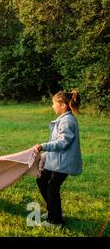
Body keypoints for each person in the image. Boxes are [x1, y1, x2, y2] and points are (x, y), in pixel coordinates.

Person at [33, 91, 82, 225]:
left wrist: (43, 146)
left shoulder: (67, 121)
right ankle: (53, 211)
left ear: (63, 105)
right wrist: (45, 155)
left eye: (54, 104)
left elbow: (63, 142)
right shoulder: (63, 119)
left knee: (52, 187)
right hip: (57, 161)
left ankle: (55, 220)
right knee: (42, 179)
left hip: (63, 163)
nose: (53, 106)